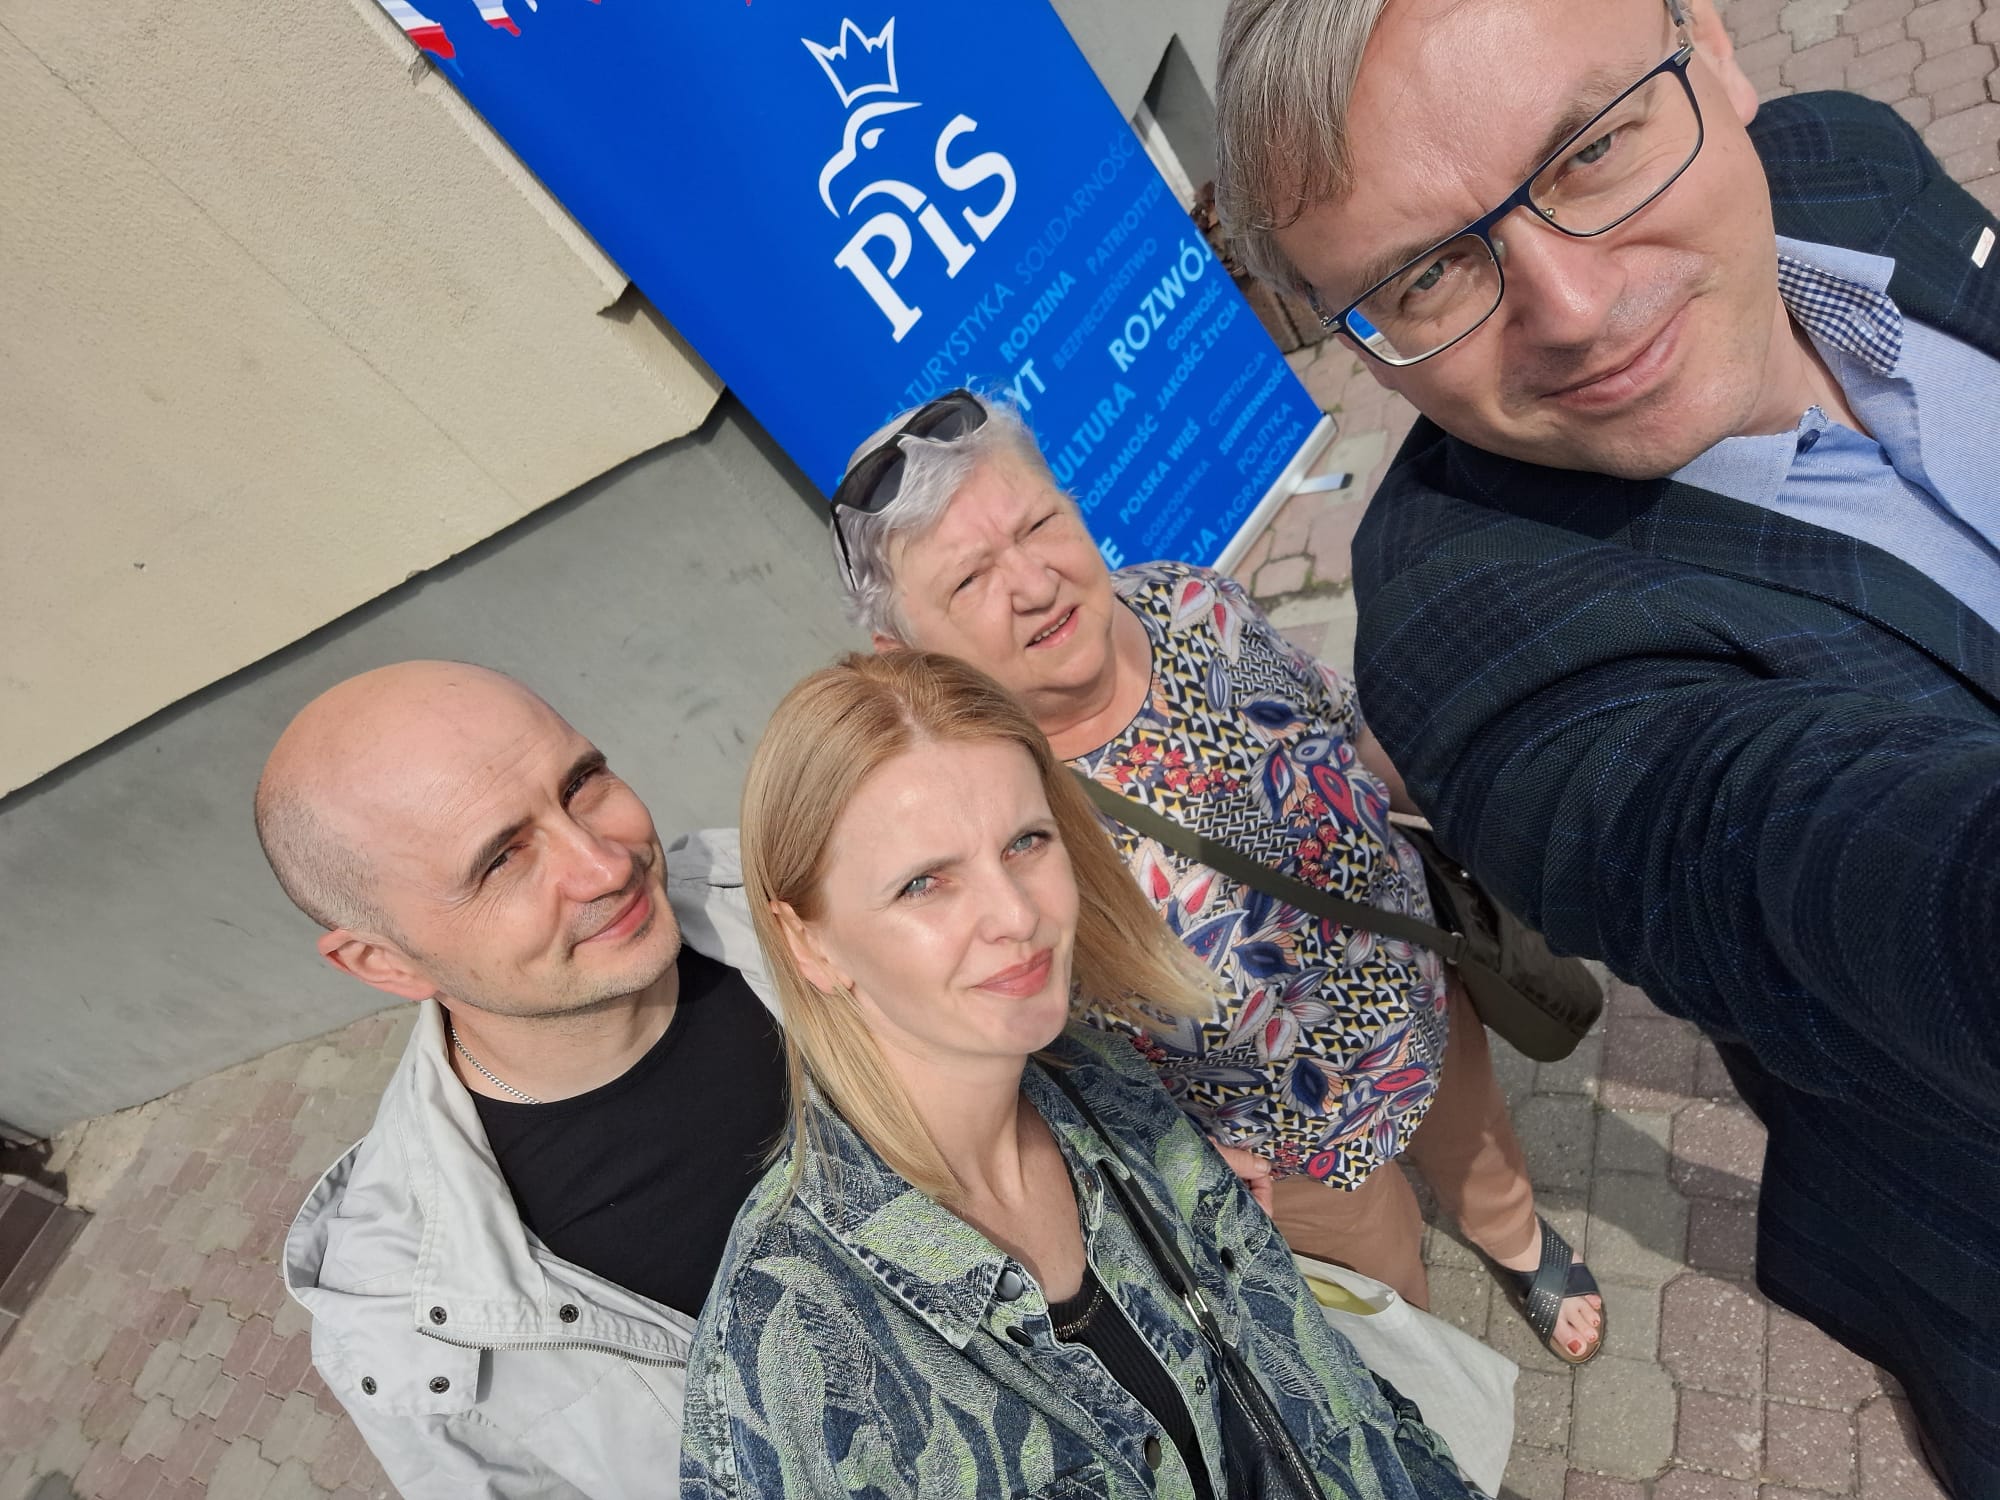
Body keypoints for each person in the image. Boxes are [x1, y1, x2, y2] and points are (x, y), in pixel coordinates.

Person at [1211, 0, 2000, 1491]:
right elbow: (1793, 847)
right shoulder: (1473, 640)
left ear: (1710, 45)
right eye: (1427, 274)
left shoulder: (1846, 158)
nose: (1569, 308)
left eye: (1587, 150)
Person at [822, 389, 1605, 1366]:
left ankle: (1512, 1235)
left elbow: (1345, 732)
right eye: (970, 578)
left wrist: (1493, 801)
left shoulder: (1188, 601)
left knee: (1478, 1146)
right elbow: (1017, 1049)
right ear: (905, 654)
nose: (1032, 582)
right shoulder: (980, 817)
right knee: (1387, 1300)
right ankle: (1438, 1375)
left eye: (1036, 524)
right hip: (1268, 1130)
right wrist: (1170, 1165)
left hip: (1408, 984)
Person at [680, 648, 1481, 1500]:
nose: (1017, 915)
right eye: (924, 884)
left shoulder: (1103, 1079)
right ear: (808, 942)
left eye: (1025, 842)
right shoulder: (782, 1357)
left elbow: (1328, 1394)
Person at [263, 662, 786, 1498]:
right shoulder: (408, 1336)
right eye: (502, 859)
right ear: (383, 962)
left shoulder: (798, 890)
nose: (604, 866)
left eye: (581, 785)